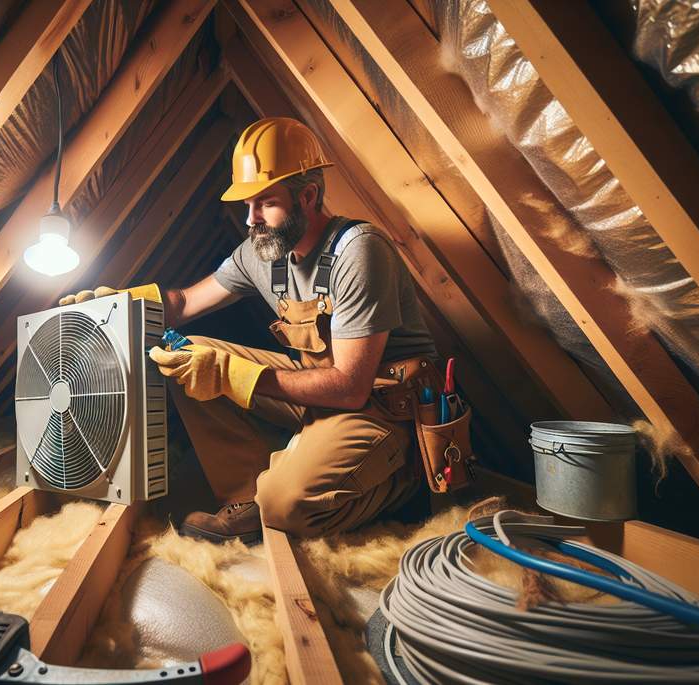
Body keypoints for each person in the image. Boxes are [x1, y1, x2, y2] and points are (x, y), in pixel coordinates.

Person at [59, 117, 441, 542]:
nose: (251, 219)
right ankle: (246, 500)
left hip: (381, 406)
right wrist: (120, 304)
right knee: (189, 355)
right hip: (322, 391)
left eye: (265, 203)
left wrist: (234, 375)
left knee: (286, 506)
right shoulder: (261, 252)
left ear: (308, 196)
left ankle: (397, 482)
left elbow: (351, 387)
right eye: (246, 205)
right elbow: (184, 302)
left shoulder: (359, 251)